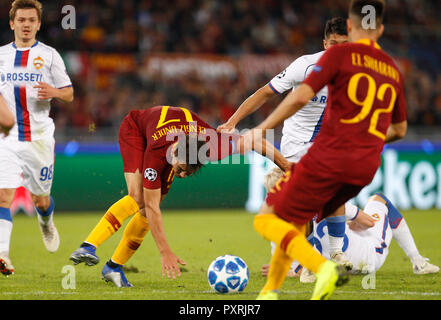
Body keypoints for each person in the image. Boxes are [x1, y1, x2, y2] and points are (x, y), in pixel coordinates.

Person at [243, 0, 408, 300]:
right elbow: (399, 130)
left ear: (349, 26)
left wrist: (260, 128)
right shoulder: (391, 68)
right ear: (381, 29)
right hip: (364, 166)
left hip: (329, 156)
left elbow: (300, 97)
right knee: (298, 213)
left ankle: (321, 266)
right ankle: (271, 291)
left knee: (268, 216)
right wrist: (366, 142)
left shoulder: (339, 55)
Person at [70, 105, 291, 287]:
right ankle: (89, 245)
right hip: (137, 129)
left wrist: (287, 167)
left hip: (173, 136)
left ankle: (113, 267)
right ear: (175, 152)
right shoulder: (158, 153)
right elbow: (152, 206)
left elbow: (257, 142)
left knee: (147, 212)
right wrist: (165, 251)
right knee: (140, 199)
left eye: (189, 172)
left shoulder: (211, 144)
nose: (183, 175)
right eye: (183, 168)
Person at [218, 17, 355, 270]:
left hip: (328, 143)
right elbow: (265, 93)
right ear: (325, 43)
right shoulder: (304, 67)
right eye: (333, 44)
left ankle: (334, 254)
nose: (338, 50)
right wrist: (233, 121)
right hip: (296, 144)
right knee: (300, 202)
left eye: (344, 44)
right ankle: (297, 260)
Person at [0, 0, 74, 276]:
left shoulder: (50, 55)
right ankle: (3, 256)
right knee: (3, 195)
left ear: (39, 24)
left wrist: (53, 92)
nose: (27, 24)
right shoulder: (1, 56)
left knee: (41, 200)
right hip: (7, 136)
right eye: (21, 20)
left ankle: (46, 222)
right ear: (12, 23)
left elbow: (69, 93)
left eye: (32, 20)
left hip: (39, 137)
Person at [261, 168, 439, 281]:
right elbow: (369, 222)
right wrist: (350, 221)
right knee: (380, 200)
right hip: (369, 258)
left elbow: (298, 270)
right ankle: (418, 262)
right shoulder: (325, 200)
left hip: (337, 268)